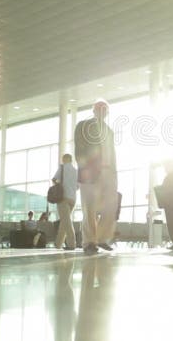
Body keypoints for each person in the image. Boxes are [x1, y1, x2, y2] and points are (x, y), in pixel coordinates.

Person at [74, 99, 119, 254]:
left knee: (110, 207)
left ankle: (100, 238)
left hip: (108, 173)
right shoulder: (83, 126)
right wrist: (84, 168)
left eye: (105, 109)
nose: (102, 111)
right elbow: (79, 149)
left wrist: (114, 174)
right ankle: (89, 242)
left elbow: (112, 154)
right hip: (90, 172)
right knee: (89, 208)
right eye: (99, 108)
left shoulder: (109, 131)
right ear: (93, 110)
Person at [52, 153, 78, 250]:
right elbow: (78, 186)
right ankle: (58, 244)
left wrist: (59, 185)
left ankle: (72, 244)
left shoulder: (62, 168)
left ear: (65, 159)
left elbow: (54, 179)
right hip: (73, 199)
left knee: (66, 222)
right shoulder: (76, 171)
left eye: (63, 158)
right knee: (64, 221)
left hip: (63, 198)